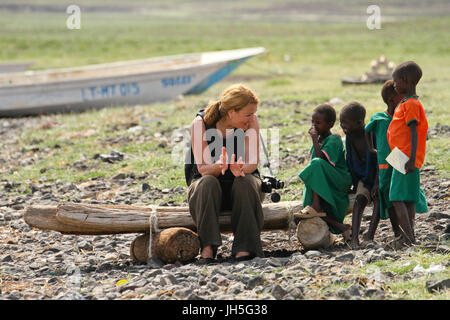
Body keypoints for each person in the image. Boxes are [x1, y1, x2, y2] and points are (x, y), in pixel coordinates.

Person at [185, 84, 264, 264]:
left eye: (253, 113)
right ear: (231, 112)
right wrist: (219, 166)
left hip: (242, 188)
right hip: (207, 191)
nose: (251, 118)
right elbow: (203, 168)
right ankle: (208, 247)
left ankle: (245, 247)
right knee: (208, 182)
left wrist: (241, 169)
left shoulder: (252, 122)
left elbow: (252, 162)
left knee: (245, 182)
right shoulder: (200, 124)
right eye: (247, 114)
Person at [387, 61, 428, 248]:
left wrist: (411, 159)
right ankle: (409, 236)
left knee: (396, 197)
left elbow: (414, 131)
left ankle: (409, 238)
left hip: (405, 157)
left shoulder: (411, 104)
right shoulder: (407, 102)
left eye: (396, 81)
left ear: (404, 81)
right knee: (408, 198)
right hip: (400, 155)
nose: (394, 84)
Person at [298, 104, 352, 238]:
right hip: (326, 179)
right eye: (312, 122)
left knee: (316, 164)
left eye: (318, 123)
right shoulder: (319, 140)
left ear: (330, 124)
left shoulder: (334, 139)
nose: (314, 126)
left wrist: (314, 140)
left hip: (339, 179)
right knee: (308, 203)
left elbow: (319, 161)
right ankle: (341, 226)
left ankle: (316, 205)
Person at [364, 80, 403, 242]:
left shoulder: (402, 117)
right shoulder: (379, 118)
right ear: (392, 99)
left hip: (399, 158)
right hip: (385, 162)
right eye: (402, 97)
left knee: (401, 194)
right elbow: (366, 131)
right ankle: (397, 232)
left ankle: (407, 230)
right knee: (388, 196)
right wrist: (372, 149)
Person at [339, 102, 378, 249]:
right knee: (359, 200)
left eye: (345, 123)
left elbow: (380, 161)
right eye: (341, 123)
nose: (342, 126)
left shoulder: (371, 134)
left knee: (379, 199)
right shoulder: (350, 137)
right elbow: (351, 161)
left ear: (359, 123)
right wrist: (353, 185)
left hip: (378, 176)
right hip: (363, 177)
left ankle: (369, 236)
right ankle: (354, 238)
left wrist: (376, 182)